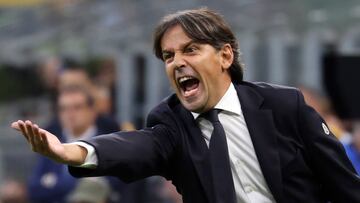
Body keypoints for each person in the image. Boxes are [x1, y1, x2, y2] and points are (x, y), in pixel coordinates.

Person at [11, 8, 360, 203]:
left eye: (190, 50)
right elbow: (137, 145)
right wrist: (74, 151)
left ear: (225, 56)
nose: (177, 62)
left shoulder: (284, 104)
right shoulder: (170, 122)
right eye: (168, 55)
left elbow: (345, 187)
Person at [27, 85, 122, 203]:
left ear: (92, 111)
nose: (70, 114)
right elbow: (34, 190)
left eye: (77, 107)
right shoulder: (49, 143)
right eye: (63, 108)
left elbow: (117, 187)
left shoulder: (110, 144)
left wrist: (55, 183)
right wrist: (80, 185)